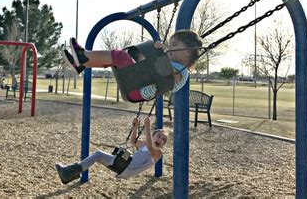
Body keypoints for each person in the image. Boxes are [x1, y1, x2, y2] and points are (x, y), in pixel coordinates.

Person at [63, 29, 203, 102]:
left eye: (174, 45)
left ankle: (83, 56)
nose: (170, 48)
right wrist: (155, 53)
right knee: (118, 60)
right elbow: (152, 67)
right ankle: (82, 64)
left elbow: (171, 76)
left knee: (120, 56)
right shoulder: (172, 62)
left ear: (188, 53)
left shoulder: (182, 72)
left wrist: (162, 54)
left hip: (138, 89)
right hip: (137, 84)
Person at [55, 116, 167, 184]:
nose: (160, 139)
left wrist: (147, 126)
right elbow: (133, 141)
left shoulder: (158, 152)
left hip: (129, 168)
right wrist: (135, 126)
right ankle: (70, 175)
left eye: (163, 139)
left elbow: (150, 146)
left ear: (163, 145)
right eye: (159, 136)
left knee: (98, 154)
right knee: (97, 155)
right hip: (126, 165)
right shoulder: (145, 144)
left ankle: (68, 173)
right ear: (153, 137)